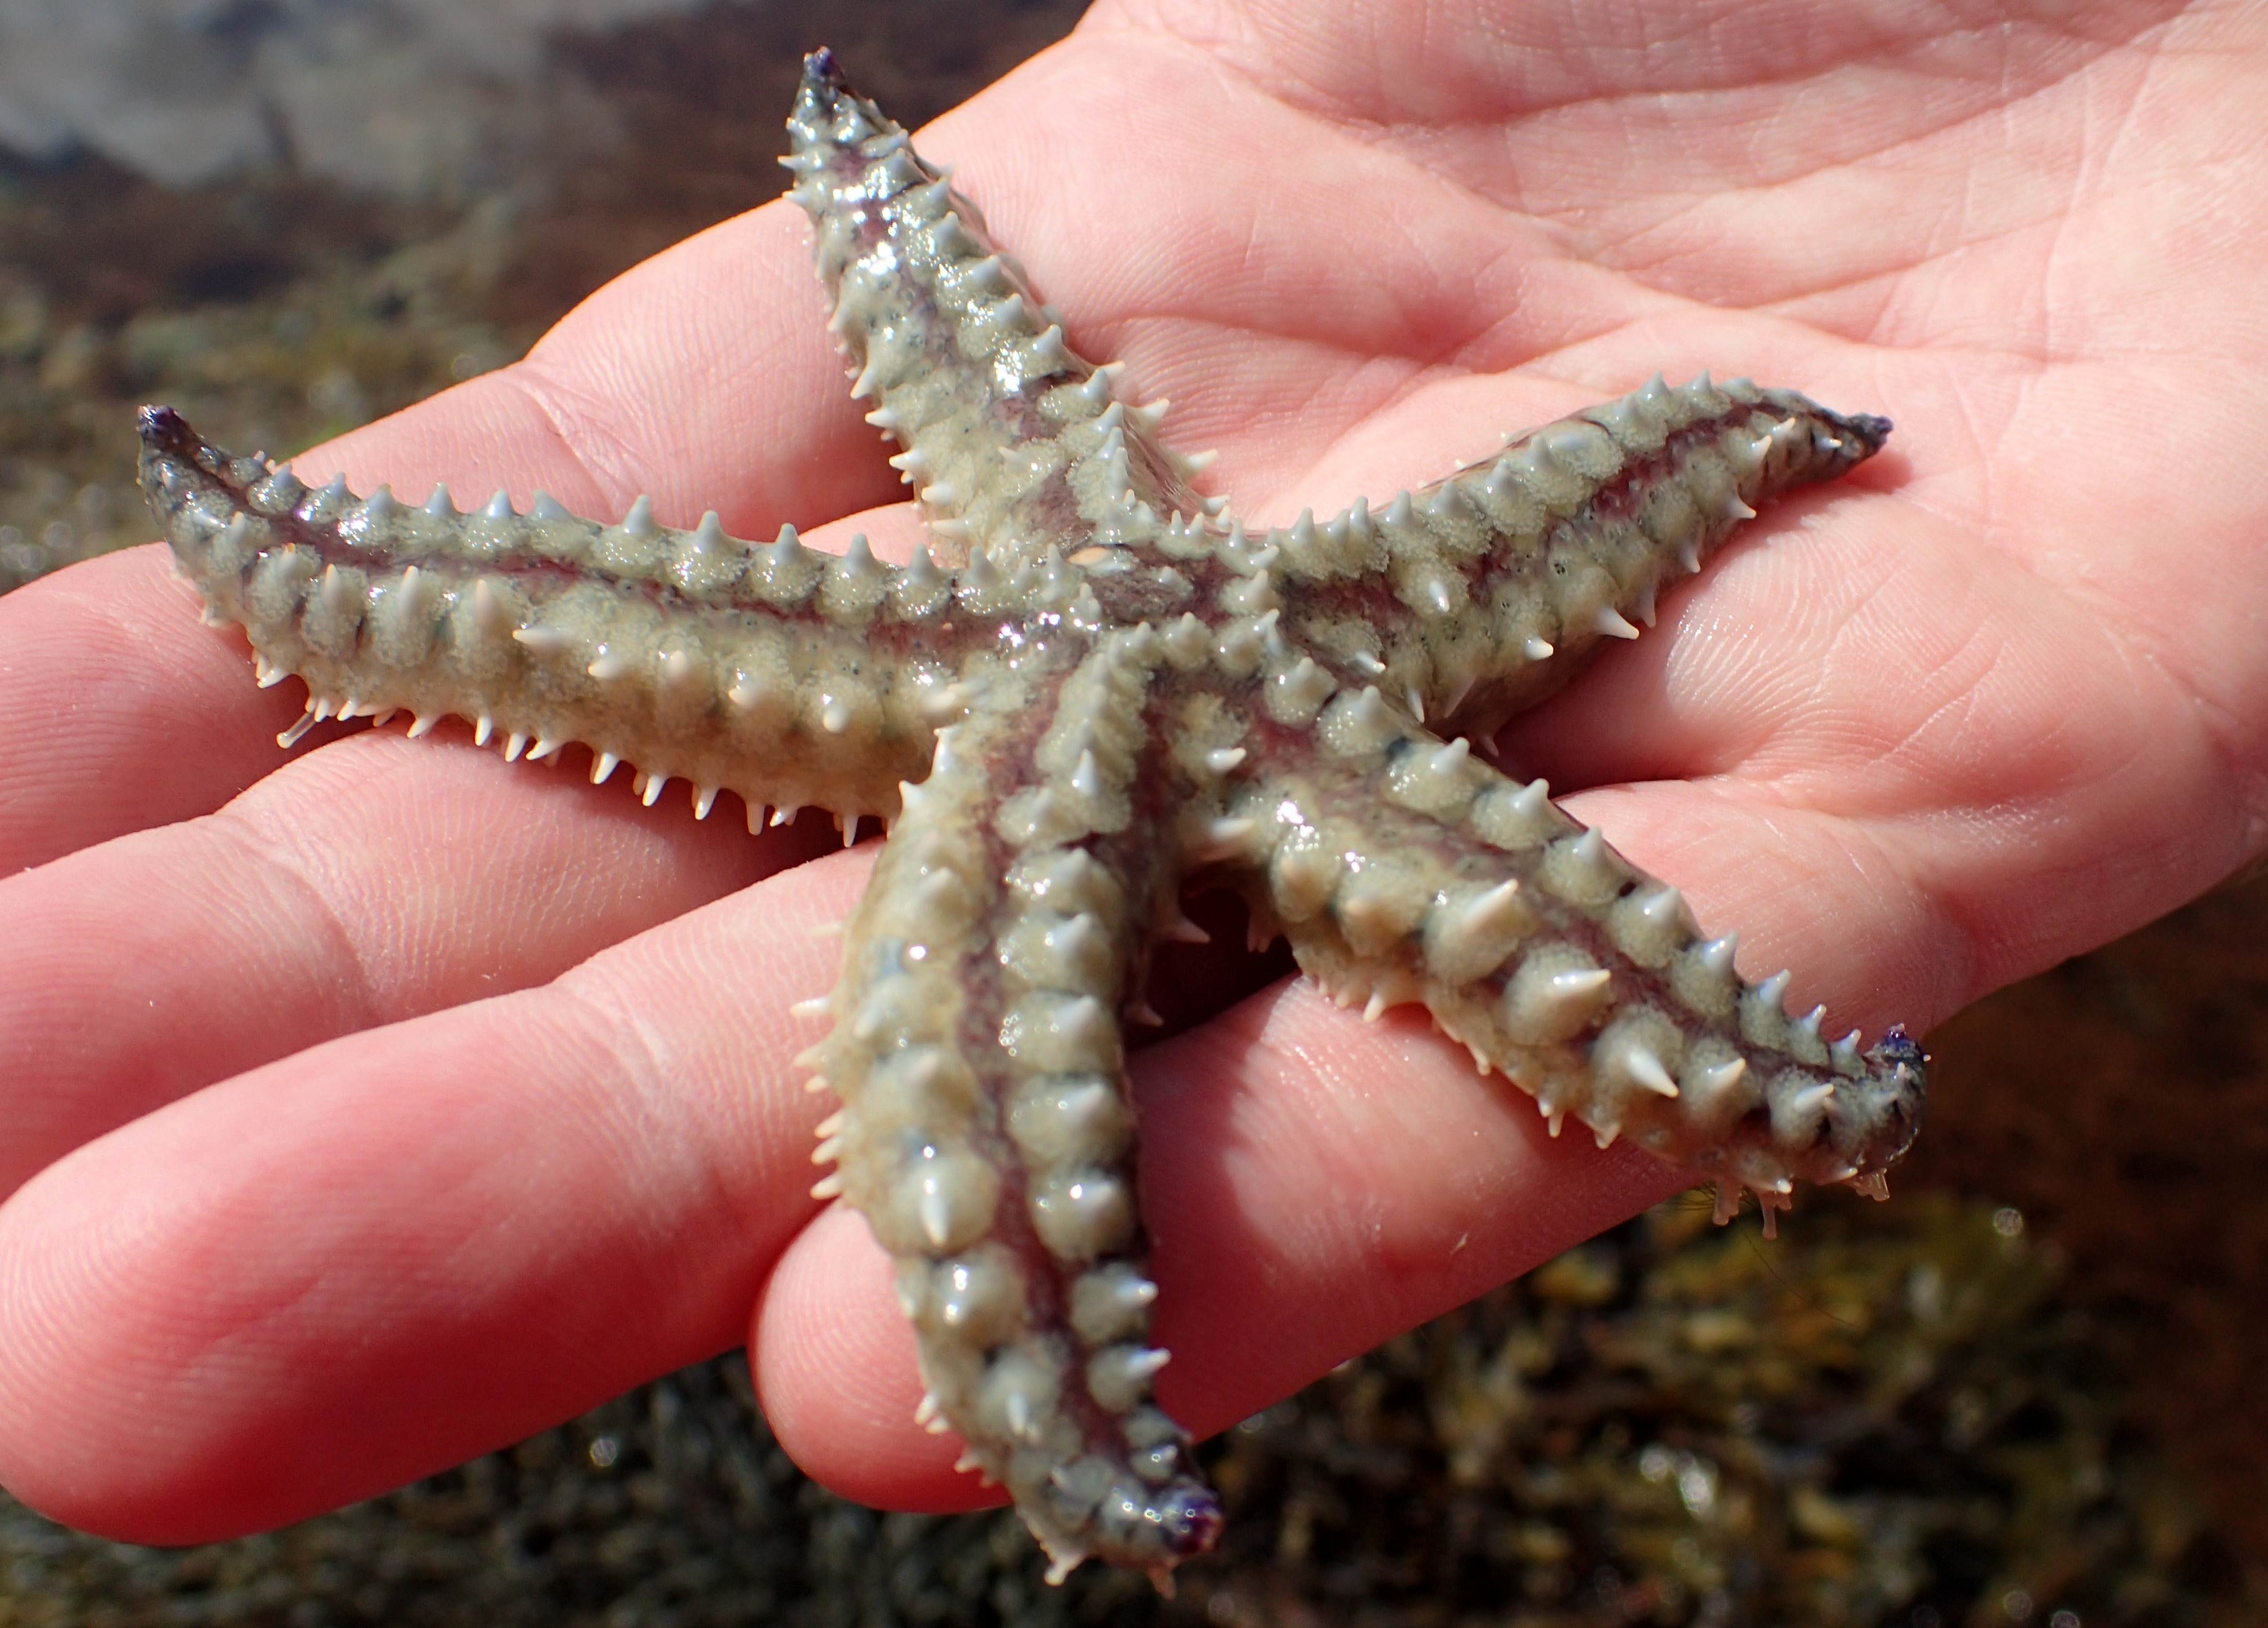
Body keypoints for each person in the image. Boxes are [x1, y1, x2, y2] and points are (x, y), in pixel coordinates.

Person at [0, 0, 2259, 1545]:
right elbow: (935, 332)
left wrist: (1749, 438)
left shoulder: (1236, 635)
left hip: (1152, 663)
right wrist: (290, 543)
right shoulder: (1186, 625)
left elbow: (1629, 477)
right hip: (1143, 663)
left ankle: (1082, 1443)